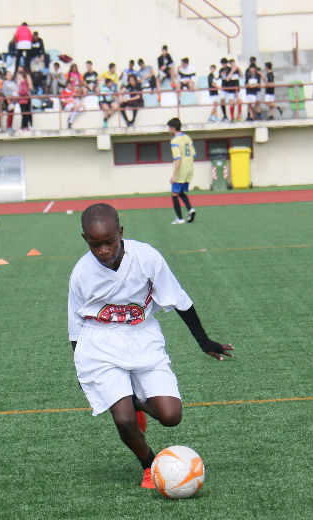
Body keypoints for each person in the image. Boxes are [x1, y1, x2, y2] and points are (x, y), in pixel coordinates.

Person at [67, 203, 233, 489]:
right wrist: (81, 370)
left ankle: (136, 401)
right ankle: (149, 465)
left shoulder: (146, 258)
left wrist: (204, 340)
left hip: (142, 336)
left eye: (110, 242)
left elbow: (179, 299)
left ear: (121, 233)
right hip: (99, 342)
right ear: (85, 240)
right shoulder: (81, 274)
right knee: (123, 420)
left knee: (171, 416)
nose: (104, 250)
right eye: (96, 245)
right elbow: (75, 327)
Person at [167, 118, 196, 225]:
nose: (168, 130)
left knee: (174, 193)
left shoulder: (175, 140)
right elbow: (193, 154)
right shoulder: (187, 137)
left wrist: (174, 175)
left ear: (173, 128)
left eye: (169, 128)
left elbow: (178, 158)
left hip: (181, 170)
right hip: (189, 169)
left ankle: (180, 218)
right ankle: (190, 209)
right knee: (180, 192)